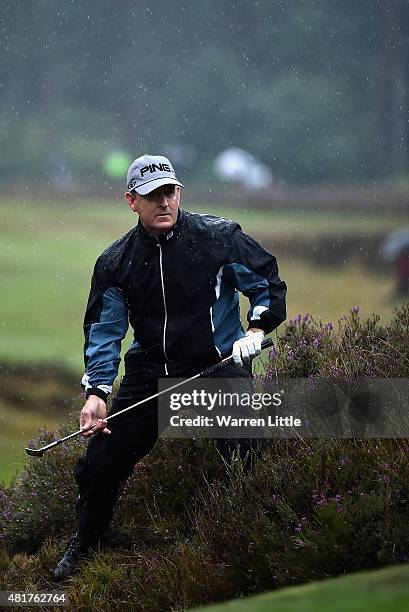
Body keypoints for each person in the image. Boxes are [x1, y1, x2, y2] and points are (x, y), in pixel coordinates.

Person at [53, 154, 287, 580]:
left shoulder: (218, 237)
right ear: (131, 201)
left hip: (218, 362)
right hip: (151, 372)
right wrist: (97, 394)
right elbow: (105, 333)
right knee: (100, 460)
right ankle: (88, 541)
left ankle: (250, 544)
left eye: (169, 192)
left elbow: (266, 282)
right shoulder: (115, 262)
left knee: (244, 449)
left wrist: (254, 330)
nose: (163, 202)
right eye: (152, 195)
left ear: (179, 192)